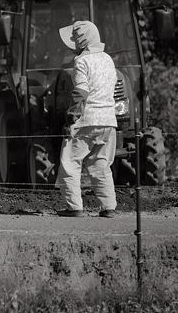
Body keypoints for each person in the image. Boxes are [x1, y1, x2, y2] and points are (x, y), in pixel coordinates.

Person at [55, 21, 118, 218]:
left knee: (70, 162)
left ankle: (74, 207)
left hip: (87, 119)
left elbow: (81, 92)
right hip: (109, 120)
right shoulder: (108, 59)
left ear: (81, 41)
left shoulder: (82, 61)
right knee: (101, 164)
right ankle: (109, 207)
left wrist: (71, 119)